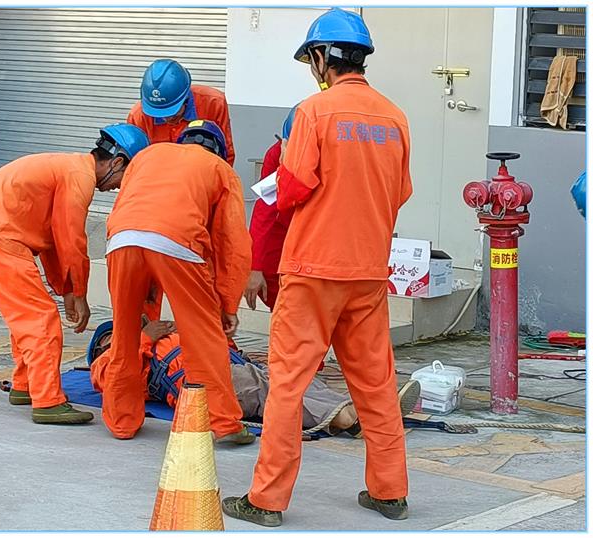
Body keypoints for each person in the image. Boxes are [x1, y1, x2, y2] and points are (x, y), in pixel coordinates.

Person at [222, 8, 414, 525]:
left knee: (287, 384)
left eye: (311, 59)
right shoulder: (395, 117)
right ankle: (390, 492)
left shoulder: (313, 112)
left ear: (321, 57)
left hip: (312, 271)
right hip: (368, 272)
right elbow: (400, 192)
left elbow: (291, 189)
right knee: (376, 383)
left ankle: (266, 499)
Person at [0, 124, 150, 425]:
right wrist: (79, 294)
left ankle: (26, 385)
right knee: (40, 318)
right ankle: (47, 401)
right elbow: (71, 239)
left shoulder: (69, 167)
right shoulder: (79, 177)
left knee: (25, 315)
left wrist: (67, 291)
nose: (119, 188)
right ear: (117, 162)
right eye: (126, 177)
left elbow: (51, 240)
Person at [103, 120, 253, 444]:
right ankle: (224, 423)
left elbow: (131, 209)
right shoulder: (220, 170)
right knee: (204, 337)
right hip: (177, 241)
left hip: (121, 240)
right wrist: (227, 305)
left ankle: (121, 421)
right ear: (218, 151)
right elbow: (231, 245)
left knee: (126, 333)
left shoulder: (149, 155)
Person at [87, 319, 421, 436]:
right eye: (111, 336)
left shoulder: (159, 336)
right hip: (205, 386)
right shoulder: (108, 361)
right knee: (265, 388)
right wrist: (142, 338)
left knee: (292, 377)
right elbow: (114, 382)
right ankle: (350, 416)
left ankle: (359, 413)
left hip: (228, 370)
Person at [127, 59, 236, 166]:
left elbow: (225, 155)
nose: (166, 119)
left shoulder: (214, 104)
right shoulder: (138, 116)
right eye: (159, 114)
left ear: (186, 98)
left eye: (171, 113)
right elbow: (133, 163)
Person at [244, 105, 298, 311]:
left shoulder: (334, 157)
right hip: (285, 228)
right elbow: (264, 210)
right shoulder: (276, 155)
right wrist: (255, 267)